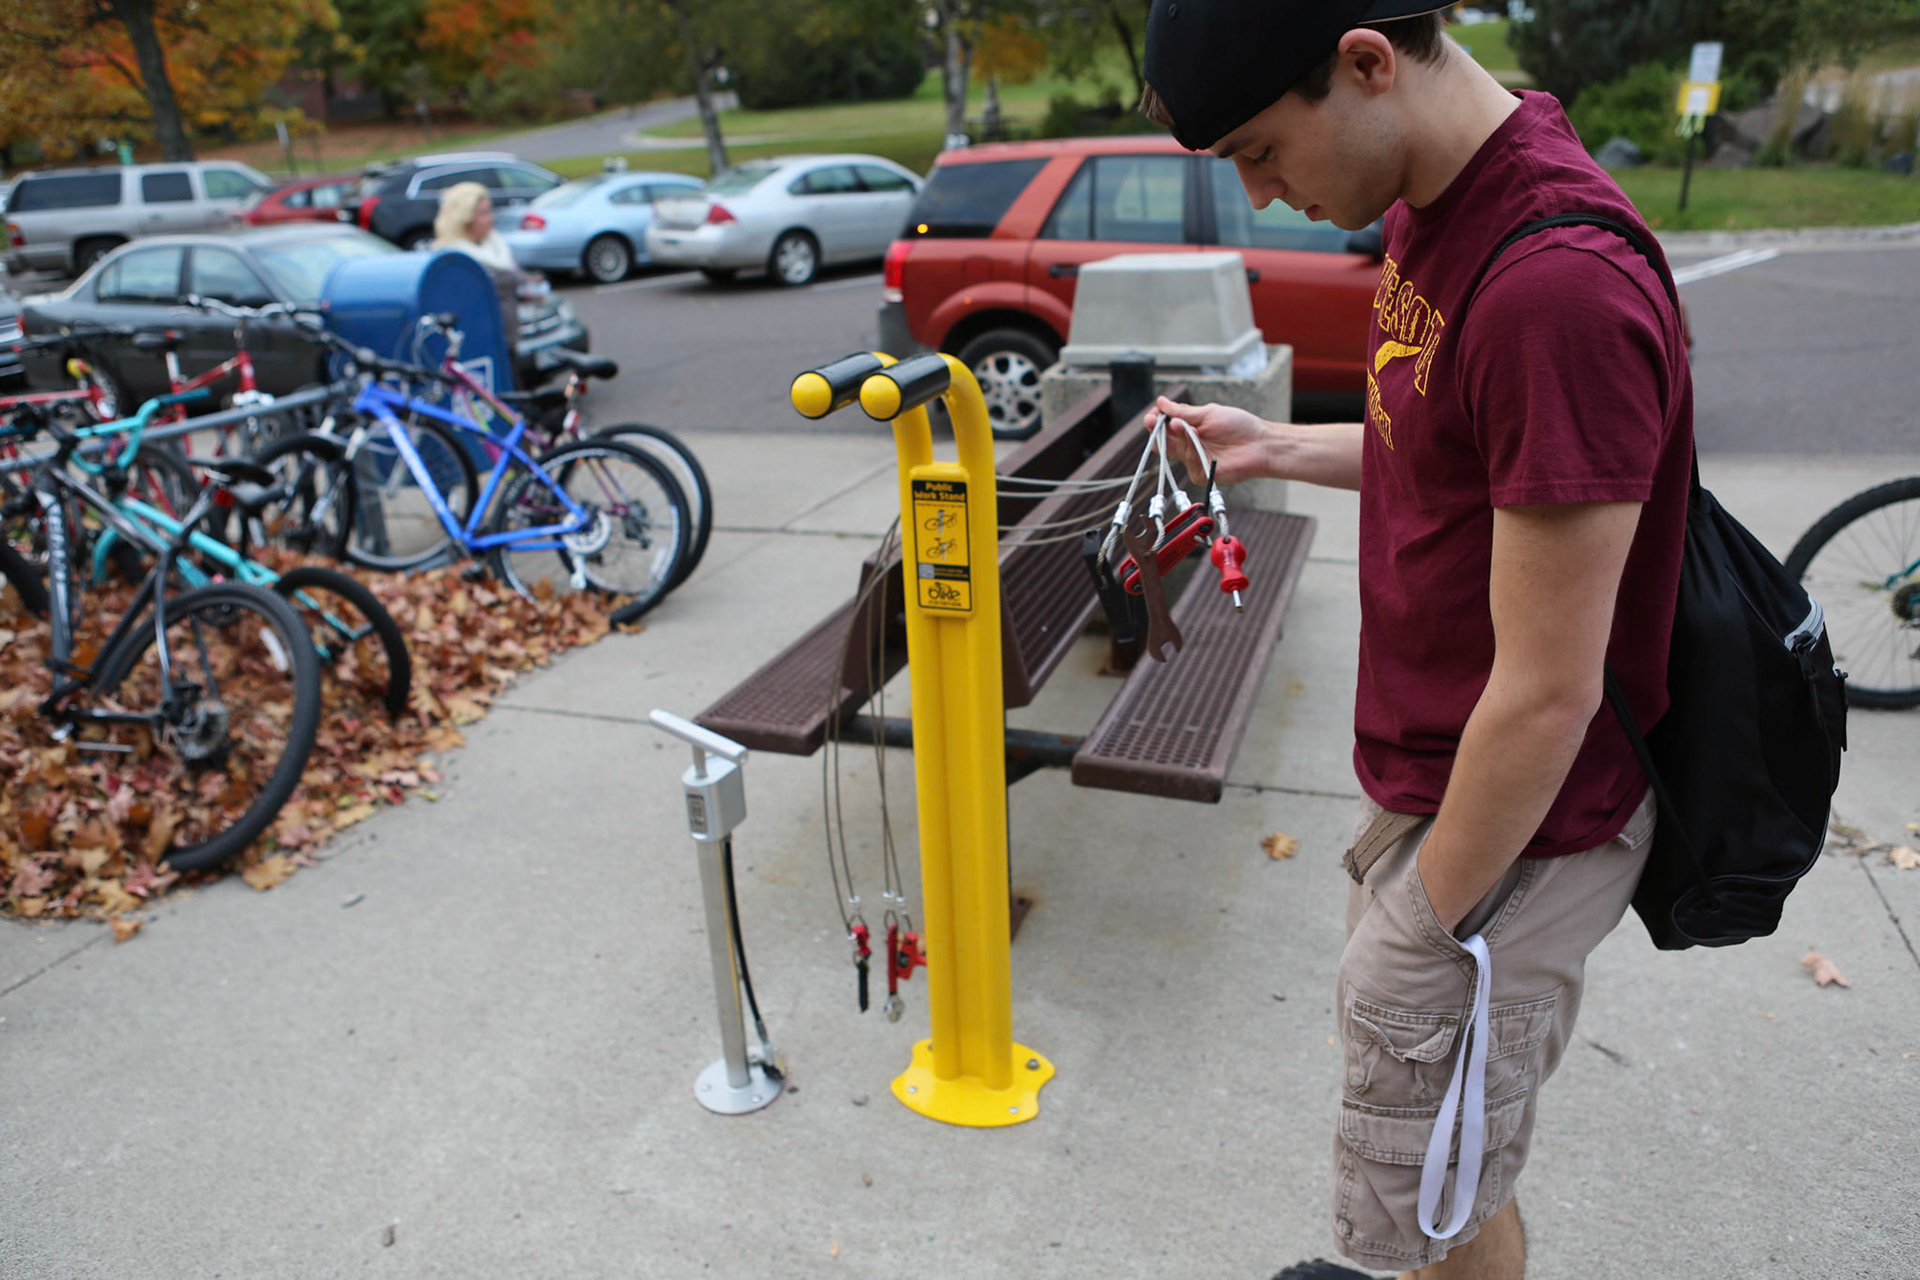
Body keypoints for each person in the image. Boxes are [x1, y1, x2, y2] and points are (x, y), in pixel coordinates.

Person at [1137, 3, 1692, 1278]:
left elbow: (1548, 694)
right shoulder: (1439, 203)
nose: (1262, 195)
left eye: (1261, 152)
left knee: (1434, 1197)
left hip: (1508, 831)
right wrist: (1277, 444)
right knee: (1453, 1170)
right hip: (1438, 791)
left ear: (1367, 62)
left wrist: (1423, 923)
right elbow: (1441, 446)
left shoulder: (1553, 289)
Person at [431, 181, 518, 273]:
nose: (491, 218)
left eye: (490, 211)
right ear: (464, 218)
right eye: (483, 213)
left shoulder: (494, 242)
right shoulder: (453, 259)